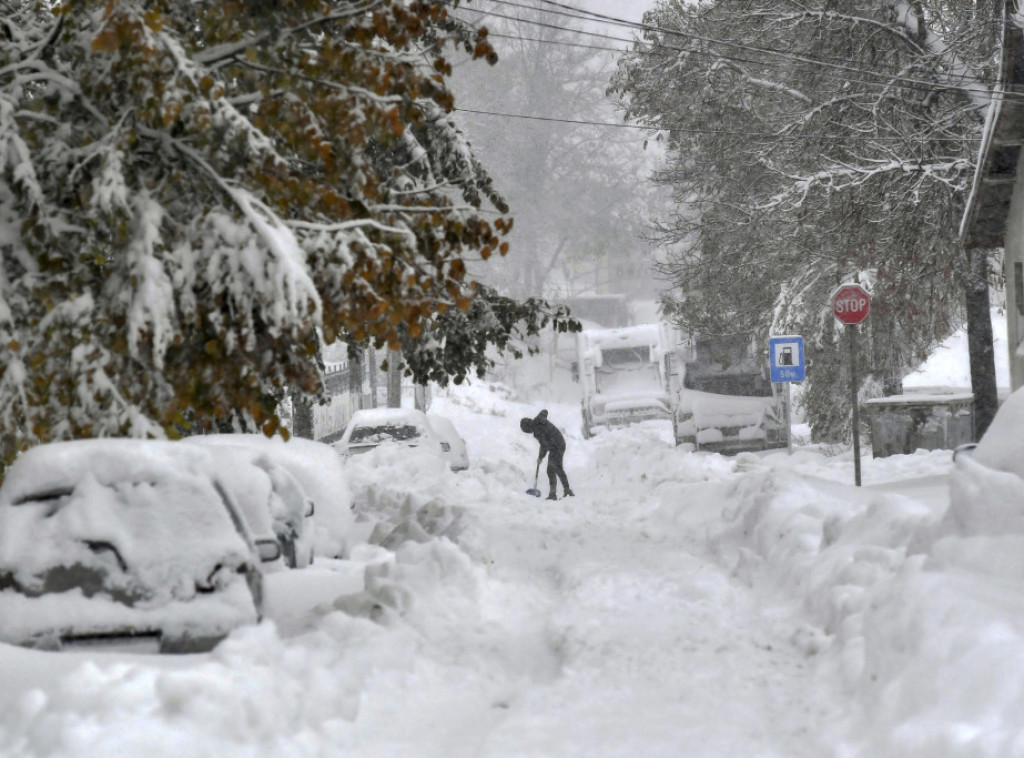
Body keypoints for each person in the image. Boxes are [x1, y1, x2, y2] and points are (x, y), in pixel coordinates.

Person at [520, 409, 574, 500]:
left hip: (556, 447)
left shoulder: (538, 431)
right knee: (556, 469)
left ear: (528, 429)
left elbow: (544, 446)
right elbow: (544, 411)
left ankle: (557, 493)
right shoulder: (538, 420)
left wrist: (540, 457)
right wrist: (542, 419)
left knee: (552, 470)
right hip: (559, 444)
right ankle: (564, 491)